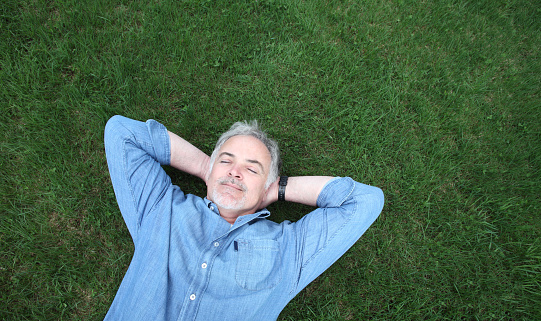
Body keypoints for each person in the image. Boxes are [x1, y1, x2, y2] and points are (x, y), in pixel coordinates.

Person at [103, 115, 384, 320]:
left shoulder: (288, 249)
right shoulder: (161, 208)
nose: (234, 172)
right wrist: (206, 167)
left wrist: (278, 189)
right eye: (226, 160)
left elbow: (364, 201)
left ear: (267, 185)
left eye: (252, 169)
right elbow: (121, 132)